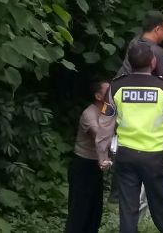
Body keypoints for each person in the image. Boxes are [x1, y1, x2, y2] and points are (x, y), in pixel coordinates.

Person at [97, 43, 163, 233]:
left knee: (127, 208)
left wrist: (102, 155)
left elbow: (105, 125)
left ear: (130, 62)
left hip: (126, 156)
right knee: (159, 203)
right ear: (153, 62)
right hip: (153, 157)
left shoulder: (115, 87)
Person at [65, 81, 110, 233]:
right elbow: (100, 138)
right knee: (79, 213)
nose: (113, 93)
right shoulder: (89, 114)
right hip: (83, 166)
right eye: (108, 91)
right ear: (98, 96)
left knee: (94, 213)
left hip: (95, 167)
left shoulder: (108, 110)